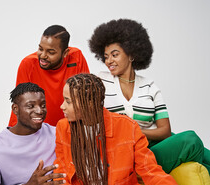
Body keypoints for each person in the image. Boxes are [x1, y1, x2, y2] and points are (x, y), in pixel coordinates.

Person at [48, 73, 192, 185]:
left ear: (89, 103)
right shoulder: (63, 128)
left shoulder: (126, 126)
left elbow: (150, 169)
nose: (62, 106)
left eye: (68, 101)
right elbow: (62, 166)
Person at [88, 18, 210, 174]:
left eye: (114, 55)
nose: (109, 61)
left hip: (153, 145)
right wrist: (133, 132)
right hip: (129, 153)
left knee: (198, 152)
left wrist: (134, 130)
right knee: (190, 140)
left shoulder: (150, 86)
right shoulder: (100, 81)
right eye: (106, 57)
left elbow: (165, 131)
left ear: (131, 54)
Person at [8, 25, 90, 127]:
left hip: (71, 128)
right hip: (39, 131)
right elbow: (21, 104)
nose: (43, 55)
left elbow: (86, 99)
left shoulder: (76, 57)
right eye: (40, 49)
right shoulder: (28, 64)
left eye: (51, 52)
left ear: (65, 53)